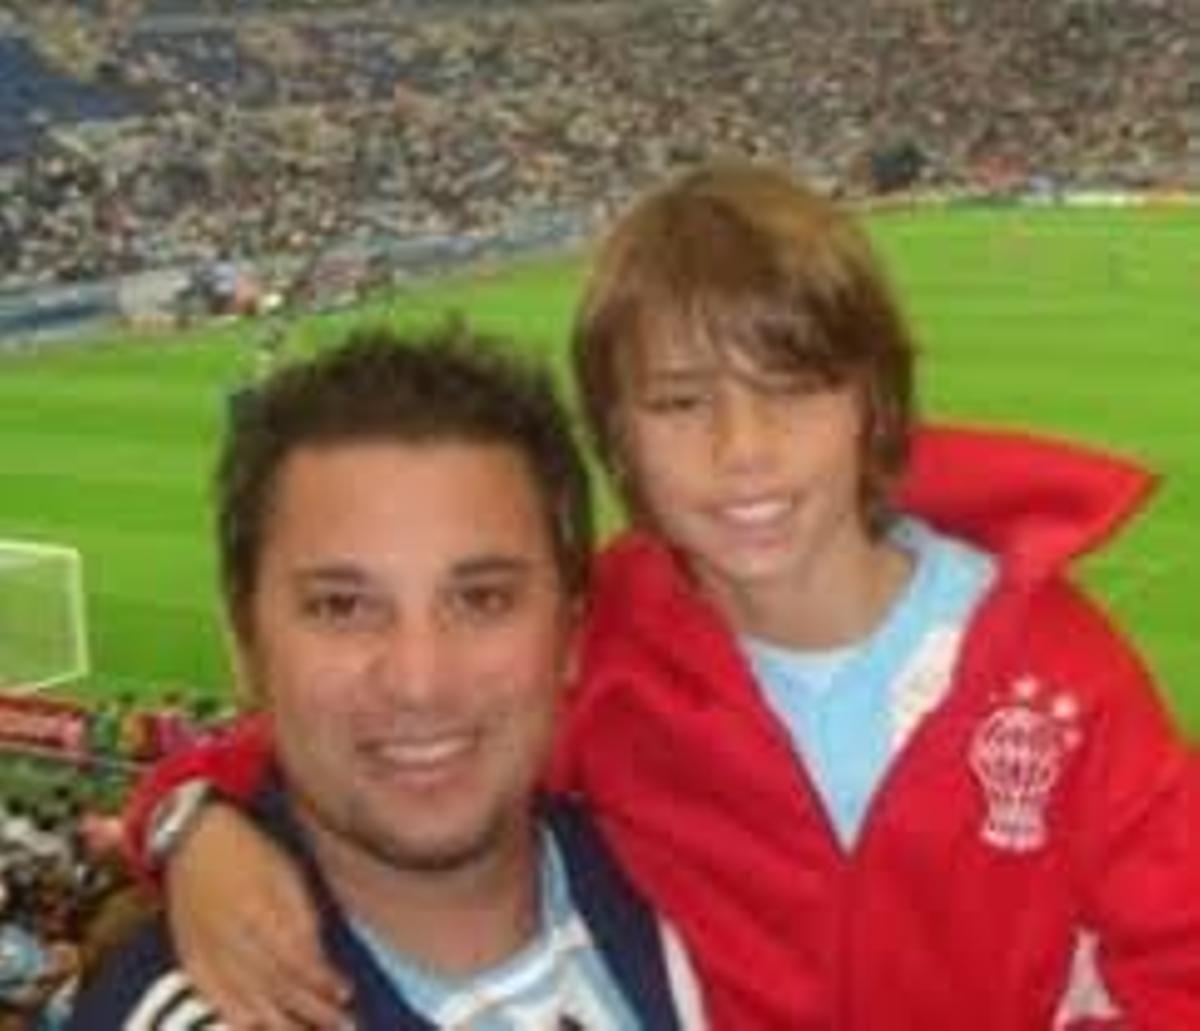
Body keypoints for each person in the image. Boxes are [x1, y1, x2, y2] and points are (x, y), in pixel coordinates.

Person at [120, 163, 1200, 1029]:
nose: (743, 451)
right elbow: (403, 734)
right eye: (681, 402)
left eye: (792, 388)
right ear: (617, 442)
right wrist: (195, 818)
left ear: (874, 403)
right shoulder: (614, 640)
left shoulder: (1052, 664)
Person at [69, 328, 707, 1030]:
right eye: (342, 606)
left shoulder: (679, 881)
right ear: (244, 644)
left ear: (571, 633)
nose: (419, 680)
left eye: (483, 597)